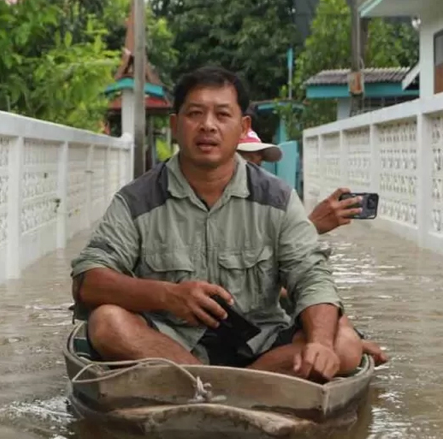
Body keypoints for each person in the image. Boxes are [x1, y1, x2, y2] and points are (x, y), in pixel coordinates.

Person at [69, 66, 364, 382]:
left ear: (243, 127)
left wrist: (320, 343)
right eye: (195, 113)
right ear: (175, 125)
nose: (208, 125)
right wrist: (168, 295)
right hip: (166, 344)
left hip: (261, 344)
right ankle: (220, 384)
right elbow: (87, 282)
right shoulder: (136, 199)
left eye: (222, 115)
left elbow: (311, 275)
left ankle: (217, 385)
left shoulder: (278, 198)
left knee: (345, 347)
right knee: (107, 322)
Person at [234, 129, 389, 366]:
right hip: (233, 323)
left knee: (334, 325)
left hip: (267, 317)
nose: (251, 172)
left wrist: (308, 227)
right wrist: (312, 225)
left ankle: (350, 338)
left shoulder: (273, 203)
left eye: (258, 164)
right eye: (244, 161)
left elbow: (306, 273)